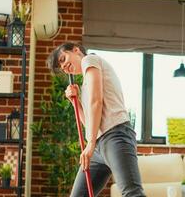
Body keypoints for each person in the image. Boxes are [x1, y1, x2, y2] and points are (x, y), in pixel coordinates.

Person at [46, 42, 146, 197]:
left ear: (76, 50)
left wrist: (90, 144)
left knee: (132, 193)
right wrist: (75, 102)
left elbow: (96, 101)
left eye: (63, 59)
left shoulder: (90, 60)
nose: (64, 66)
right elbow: (90, 122)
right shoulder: (86, 83)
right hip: (99, 144)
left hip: (116, 136)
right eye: (62, 68)